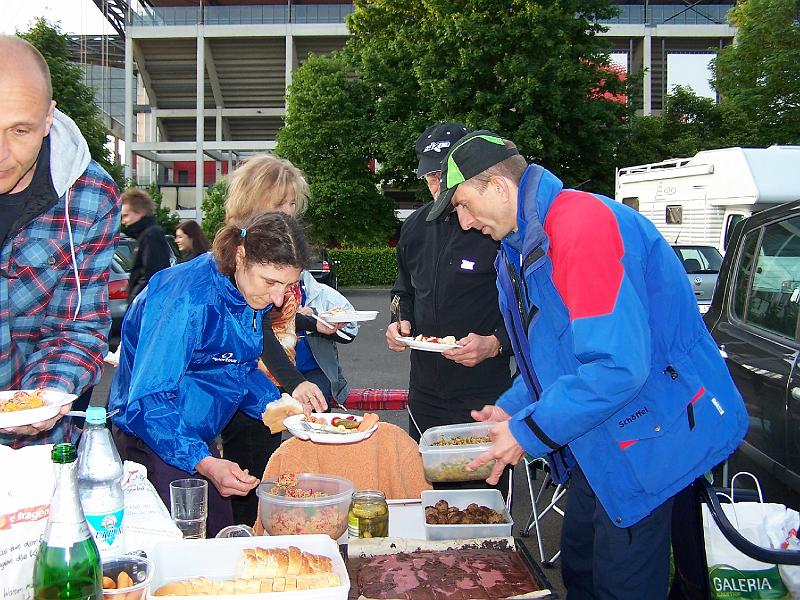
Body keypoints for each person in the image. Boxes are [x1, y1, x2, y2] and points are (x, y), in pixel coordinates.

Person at [428, 129, 749, 598]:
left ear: (498, 188)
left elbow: (617, 366)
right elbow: (555, 357)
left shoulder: (582, 227)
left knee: (619, 586)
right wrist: (514, 409)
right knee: (580, 570)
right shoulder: (519, 249)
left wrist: (528, 432)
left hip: (650, 437)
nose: (463, 221)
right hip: (600, 436)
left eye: (462, 203)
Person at [109, 212, 319, 537]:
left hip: (197, 439)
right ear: (240, 255)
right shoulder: (185, 296)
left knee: (219, 539)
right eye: (271, 282)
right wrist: (204, 462)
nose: (279, 299)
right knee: (181, 552)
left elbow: (235, 366)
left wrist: (280, 407)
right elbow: (149, 400)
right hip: (152, 439)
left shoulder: (246, 290)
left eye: (289, 285)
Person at [0, 35, 120, 448]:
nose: (1, 153)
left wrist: (42, 397)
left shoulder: (90, 198)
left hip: (37, 450)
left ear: (49, 118)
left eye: (20, 130)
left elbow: (77, 328)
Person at [221, 154, 341, 525]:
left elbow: (271, 324)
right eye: (280, 203)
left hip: (275, 384)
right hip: (246, 389)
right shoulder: (237, 260)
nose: (289, 211)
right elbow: (254, 334)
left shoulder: (275, 251)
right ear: (252, 202)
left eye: (292, 203)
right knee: (252, 484)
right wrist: (296, 382)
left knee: (279, 478)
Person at [386, 123, 513, 448]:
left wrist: (496, 343)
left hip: (482, 390)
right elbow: (403, 289)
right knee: (428, 489)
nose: (438, 186)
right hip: (425, 391)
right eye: (430, 178)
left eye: (444, 176)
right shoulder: (415, 226)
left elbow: (527, 308)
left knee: (482, 493)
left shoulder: (495, 228)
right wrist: (398, 321)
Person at [295, 270, 358, 407]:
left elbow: (350, 333)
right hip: (271, 371)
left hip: (315, 371)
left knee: (317, 412)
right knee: (264, 418)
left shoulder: (323, 294)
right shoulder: (261, 292)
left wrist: (316, 319)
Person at [120, 188, 172, 302]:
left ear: (140, 212)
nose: (123, 221)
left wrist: (135, 300)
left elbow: (153, 274)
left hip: (146, 305)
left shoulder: (151, 235)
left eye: (126, 215)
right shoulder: (146, 235)